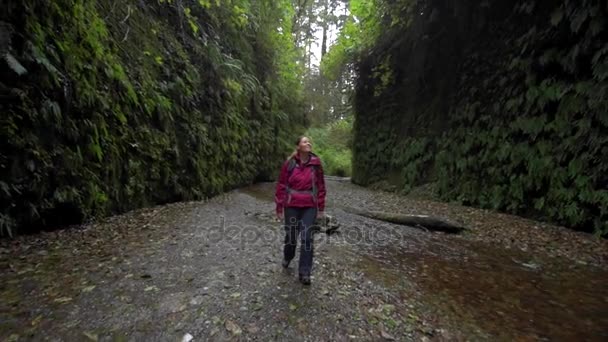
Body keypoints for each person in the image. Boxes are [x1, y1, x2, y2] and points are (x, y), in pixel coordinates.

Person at [274, 136, 326, 285]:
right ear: (298, 146)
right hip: (291, 205)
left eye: (309, 141)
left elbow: (321, 186)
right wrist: (279, 207)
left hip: (309, 206)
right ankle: (288, 256)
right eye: (304, 141)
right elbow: (281, 186)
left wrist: (321, 207)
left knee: (307, 238)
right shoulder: (289, 164)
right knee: (291, 236)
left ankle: (305, 272)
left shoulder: (316, 164)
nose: (308, 143)